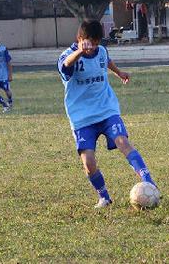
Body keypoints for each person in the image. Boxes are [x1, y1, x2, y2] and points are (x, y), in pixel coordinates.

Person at [58, 20, 157, 208]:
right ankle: (104, 197)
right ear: (79, 39)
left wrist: (119, 72)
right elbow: (65, 67)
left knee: (123, 141)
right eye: (89, 43)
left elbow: (106, 61)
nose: (93, 47)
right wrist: (80, 51)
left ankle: (149, 183)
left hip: (106, 110)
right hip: (82, 118)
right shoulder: (68, 56)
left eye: (96, 43)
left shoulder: (101, 51)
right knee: (88, 162)